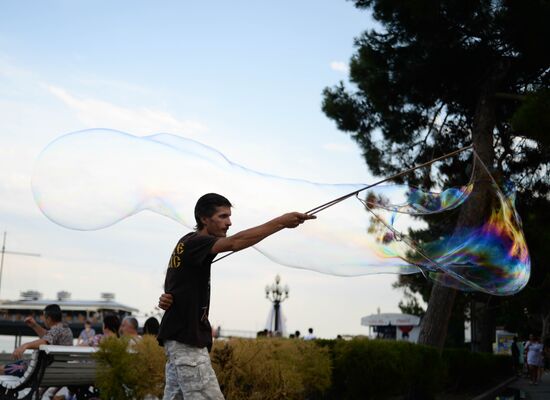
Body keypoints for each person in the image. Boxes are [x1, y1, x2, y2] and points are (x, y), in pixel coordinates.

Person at [157, 193, 316, 400]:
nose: (229, 222)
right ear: (204, 219)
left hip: (178, 339)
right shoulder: (197, 242)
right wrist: (281, 222)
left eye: (229, 216)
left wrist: (168, 299)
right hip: (186, 342)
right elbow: (236, 242)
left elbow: (175, 283)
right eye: (223, 216)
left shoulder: (188, 243)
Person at [0, 304, 73, 377]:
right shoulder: (65, 329)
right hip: (55, 369)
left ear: (49, 319)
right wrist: (34, 325)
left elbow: (45, 341)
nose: (43, 319)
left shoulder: (56, 330)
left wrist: (24, 346)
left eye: (44, 317)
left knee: (1, 369)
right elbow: (48, 336)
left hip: (40, 369)